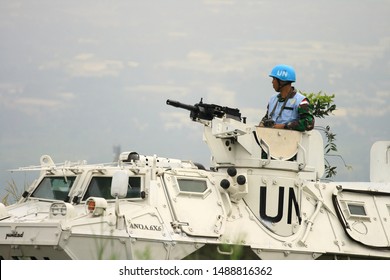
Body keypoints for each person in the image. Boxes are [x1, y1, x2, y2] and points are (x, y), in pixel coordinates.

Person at [259, 64, 315, 131]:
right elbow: (266, 117)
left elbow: (309, 123)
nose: (272, 82)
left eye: (274, 79)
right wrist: (262, 124)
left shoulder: (301, 101)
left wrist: (284, 126)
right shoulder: (273, 99)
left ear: (282, 81)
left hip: (291, 140)